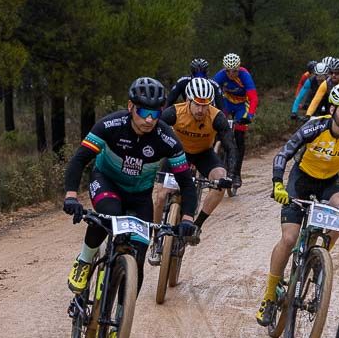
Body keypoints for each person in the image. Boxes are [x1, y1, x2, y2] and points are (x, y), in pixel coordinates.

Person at [62, 77, 199, 295]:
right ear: (130, 107)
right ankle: (84, 261)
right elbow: (79, 159)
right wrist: (70, 195)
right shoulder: (110, 125)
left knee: (138, 256)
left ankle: (121, 315)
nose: (149, 120)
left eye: (155, 113)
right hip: (107, 182)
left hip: (140, 197)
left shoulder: (167, 139)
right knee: (109, 215)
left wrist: (187, 218)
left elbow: (186, 183)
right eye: (143, 112)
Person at [257, 83, 339, 326]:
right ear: (333, 109)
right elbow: (283, 153)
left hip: (330, 182)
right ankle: (269, 296)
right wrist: (278, 184)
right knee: (289, 239)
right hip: (301, 180)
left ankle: (319, 257)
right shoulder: (316, 126)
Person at [150, 77, 237, 262]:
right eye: (197, 104)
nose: (201, 110)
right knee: (160, 196)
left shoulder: (216, 117)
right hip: (176, 154)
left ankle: (196, 226)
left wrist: (230, 175)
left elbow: (231, 146)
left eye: (205, 105)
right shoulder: (174, 113)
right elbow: (153, 134)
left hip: (203, 154)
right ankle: (156, 236)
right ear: (188, 100)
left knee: (220, 180)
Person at [213, 53, 258, 188]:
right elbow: (211, 91)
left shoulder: (244, 75)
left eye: (235, 71)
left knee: (239, 138)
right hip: (226, 103)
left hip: (241, 105)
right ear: (225, 70)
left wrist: (249, 116)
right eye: (229, 71)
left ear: (239, 68)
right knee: (217, 129)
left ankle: (237, 174)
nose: (232, 74)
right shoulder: (220, 76)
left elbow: (253, 98)